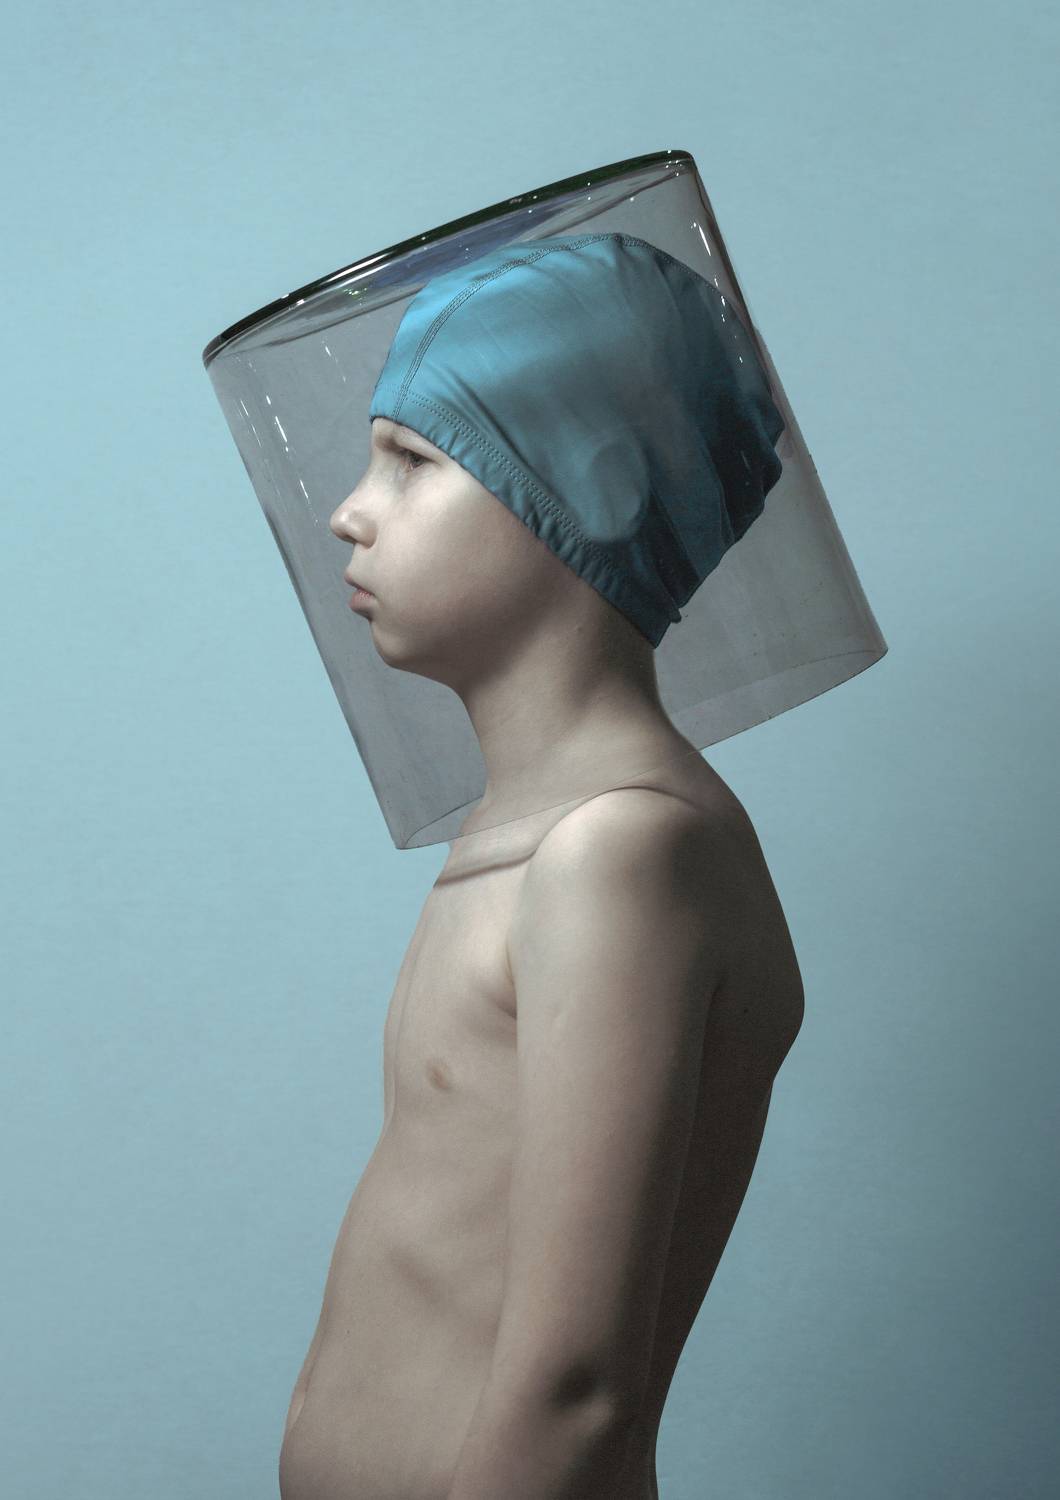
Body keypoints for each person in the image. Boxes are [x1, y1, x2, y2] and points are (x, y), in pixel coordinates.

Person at [275, 395, 806, 1499]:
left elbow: (576, 1392)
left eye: (411, 460)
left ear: (595, 491)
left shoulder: (619, 852)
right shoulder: (535, 832)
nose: (349, 512)